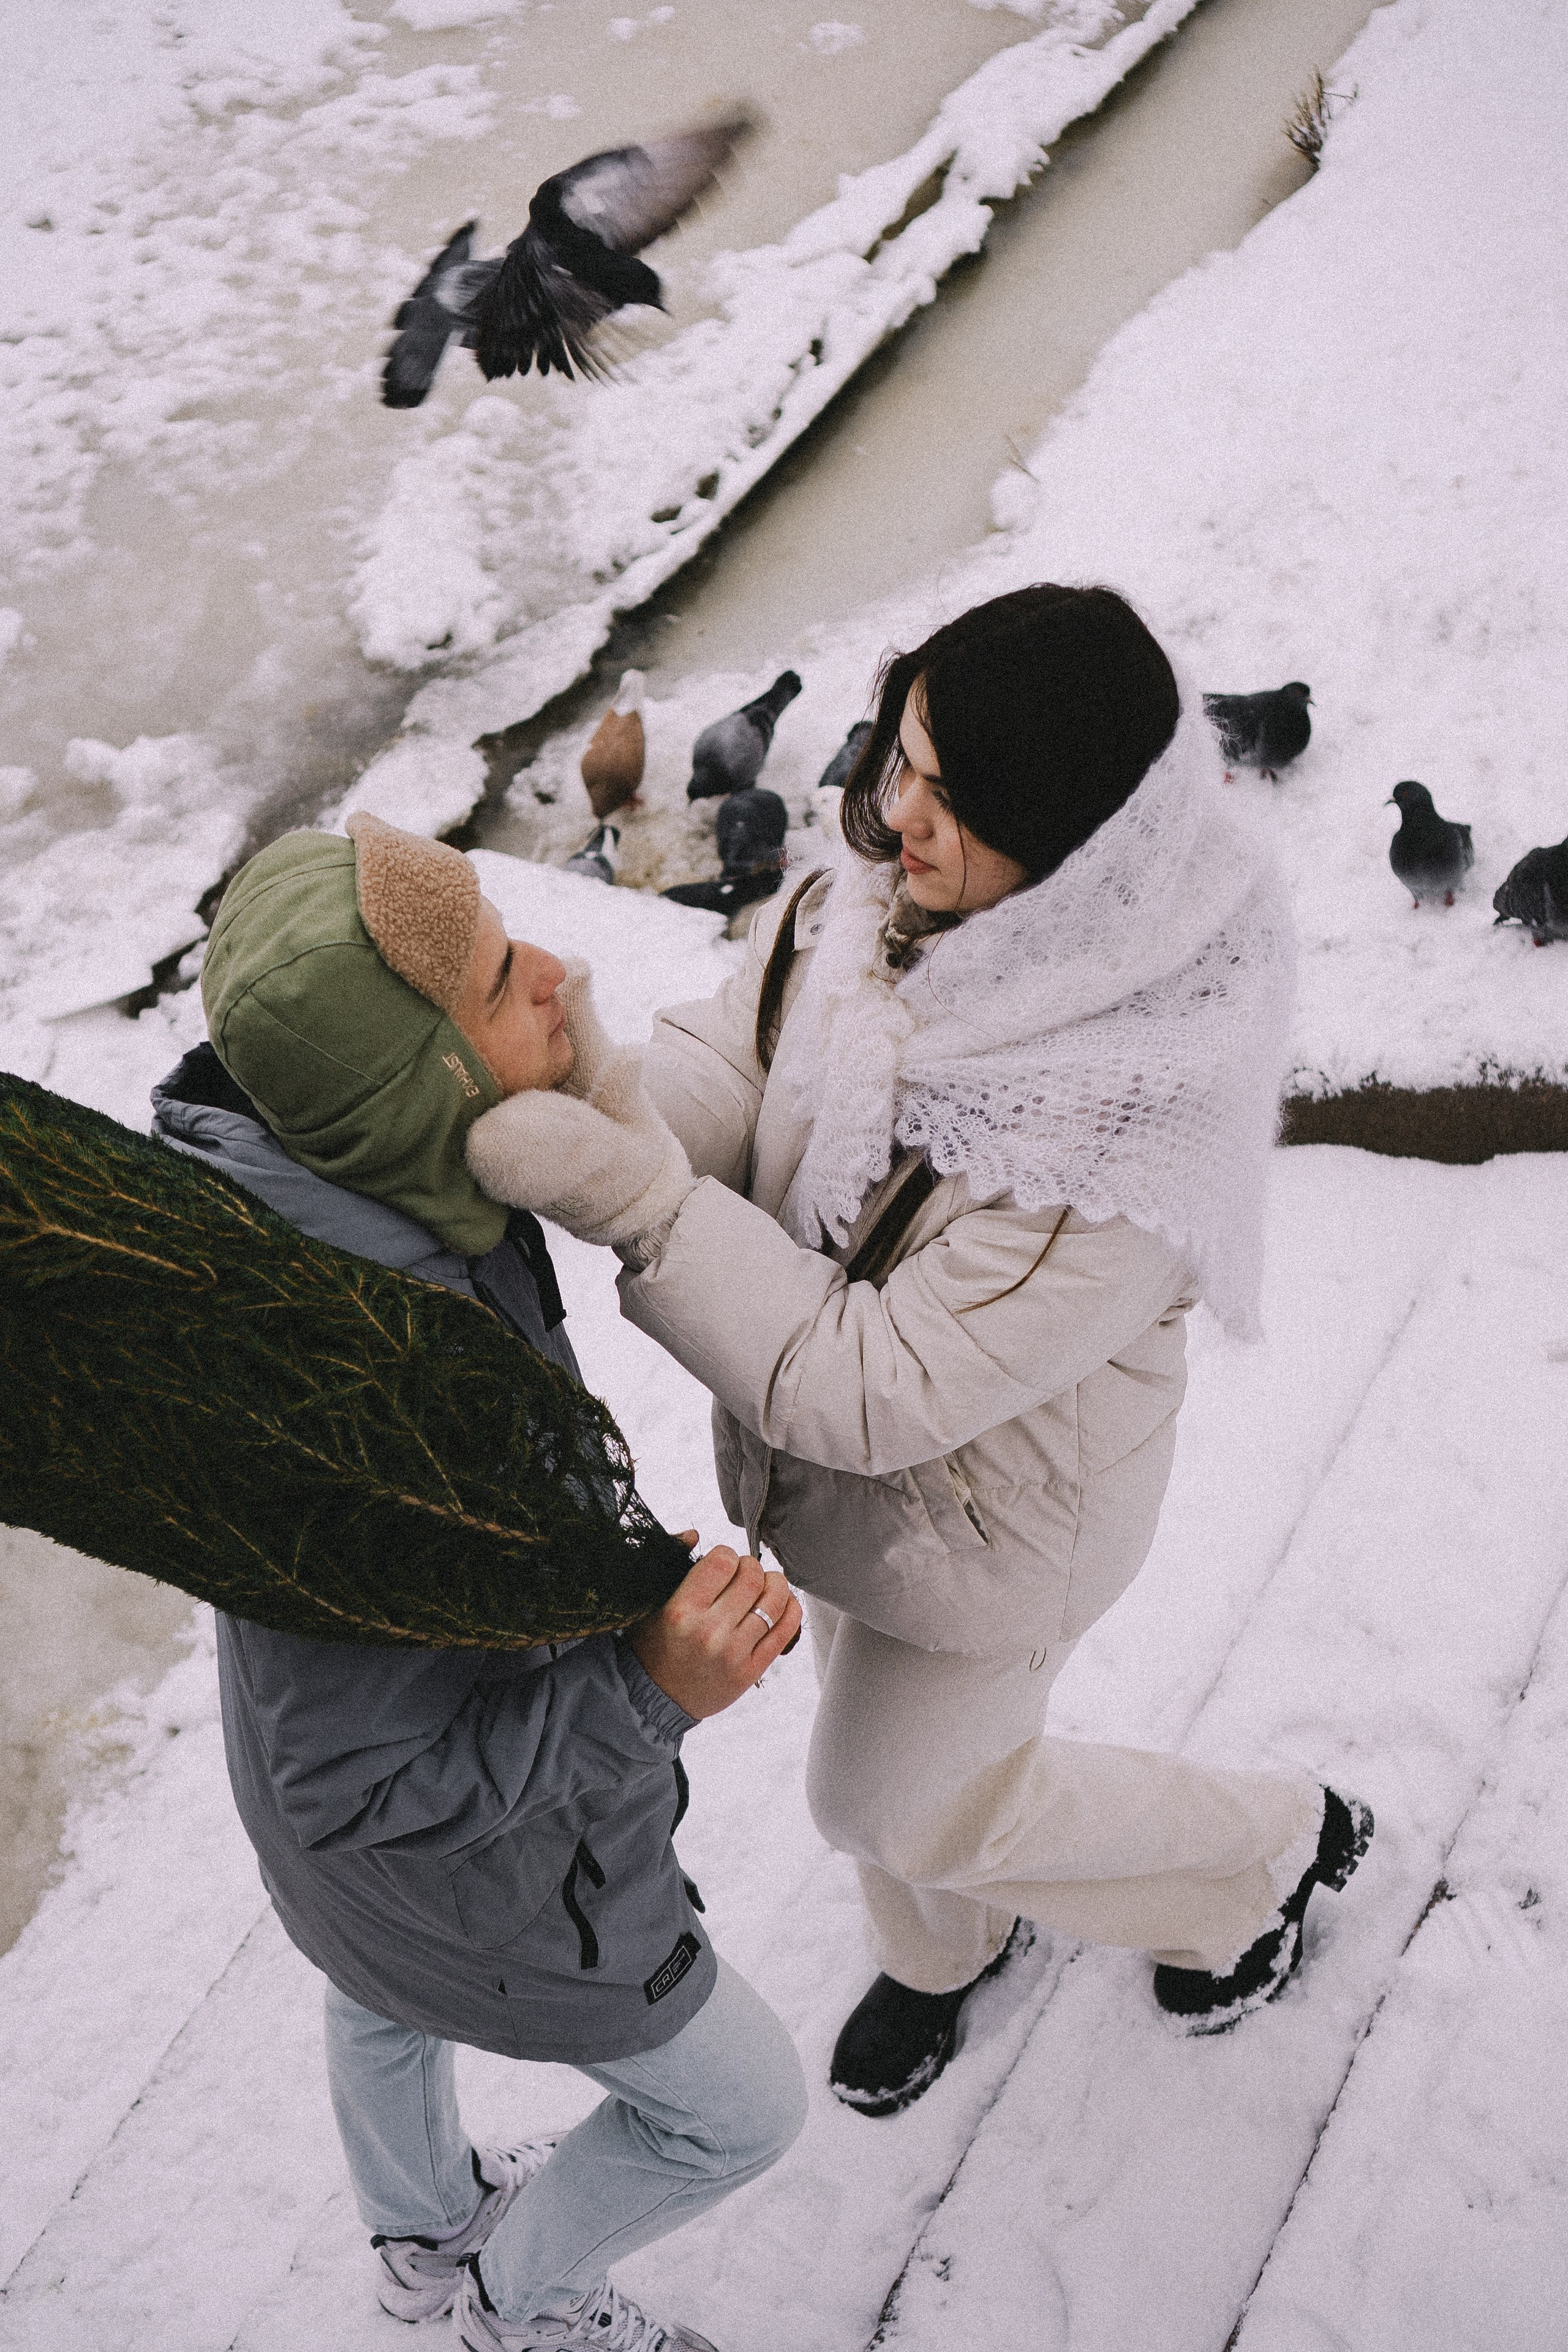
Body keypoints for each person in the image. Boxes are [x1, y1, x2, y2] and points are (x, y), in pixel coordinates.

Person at [469, 583, 1374, 2118]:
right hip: (832, 1479)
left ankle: (1258, 1858)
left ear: (1076, 853)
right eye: (903, 758)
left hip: (996, 1523)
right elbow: (740, 1057)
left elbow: (874, 1385)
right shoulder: (882, 897)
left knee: (889, 1793)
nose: (893, 817)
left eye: (954, 801)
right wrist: (606, 1100)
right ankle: (947, 1946)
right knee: (890, 1750)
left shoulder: (1115, 1125)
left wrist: (633, 1202)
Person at [153, 812, 806, 2352]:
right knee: (739, 2112)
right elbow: (356, 1786)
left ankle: (422, 2235)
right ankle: (520, 2308)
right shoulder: (370, 1403)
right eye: (510, 981)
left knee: (374, 1988)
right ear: (421, 1084)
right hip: (487, 1879)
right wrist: (646, 1690)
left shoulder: (353, 1209)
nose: (563, 973)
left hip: (363, 1893)